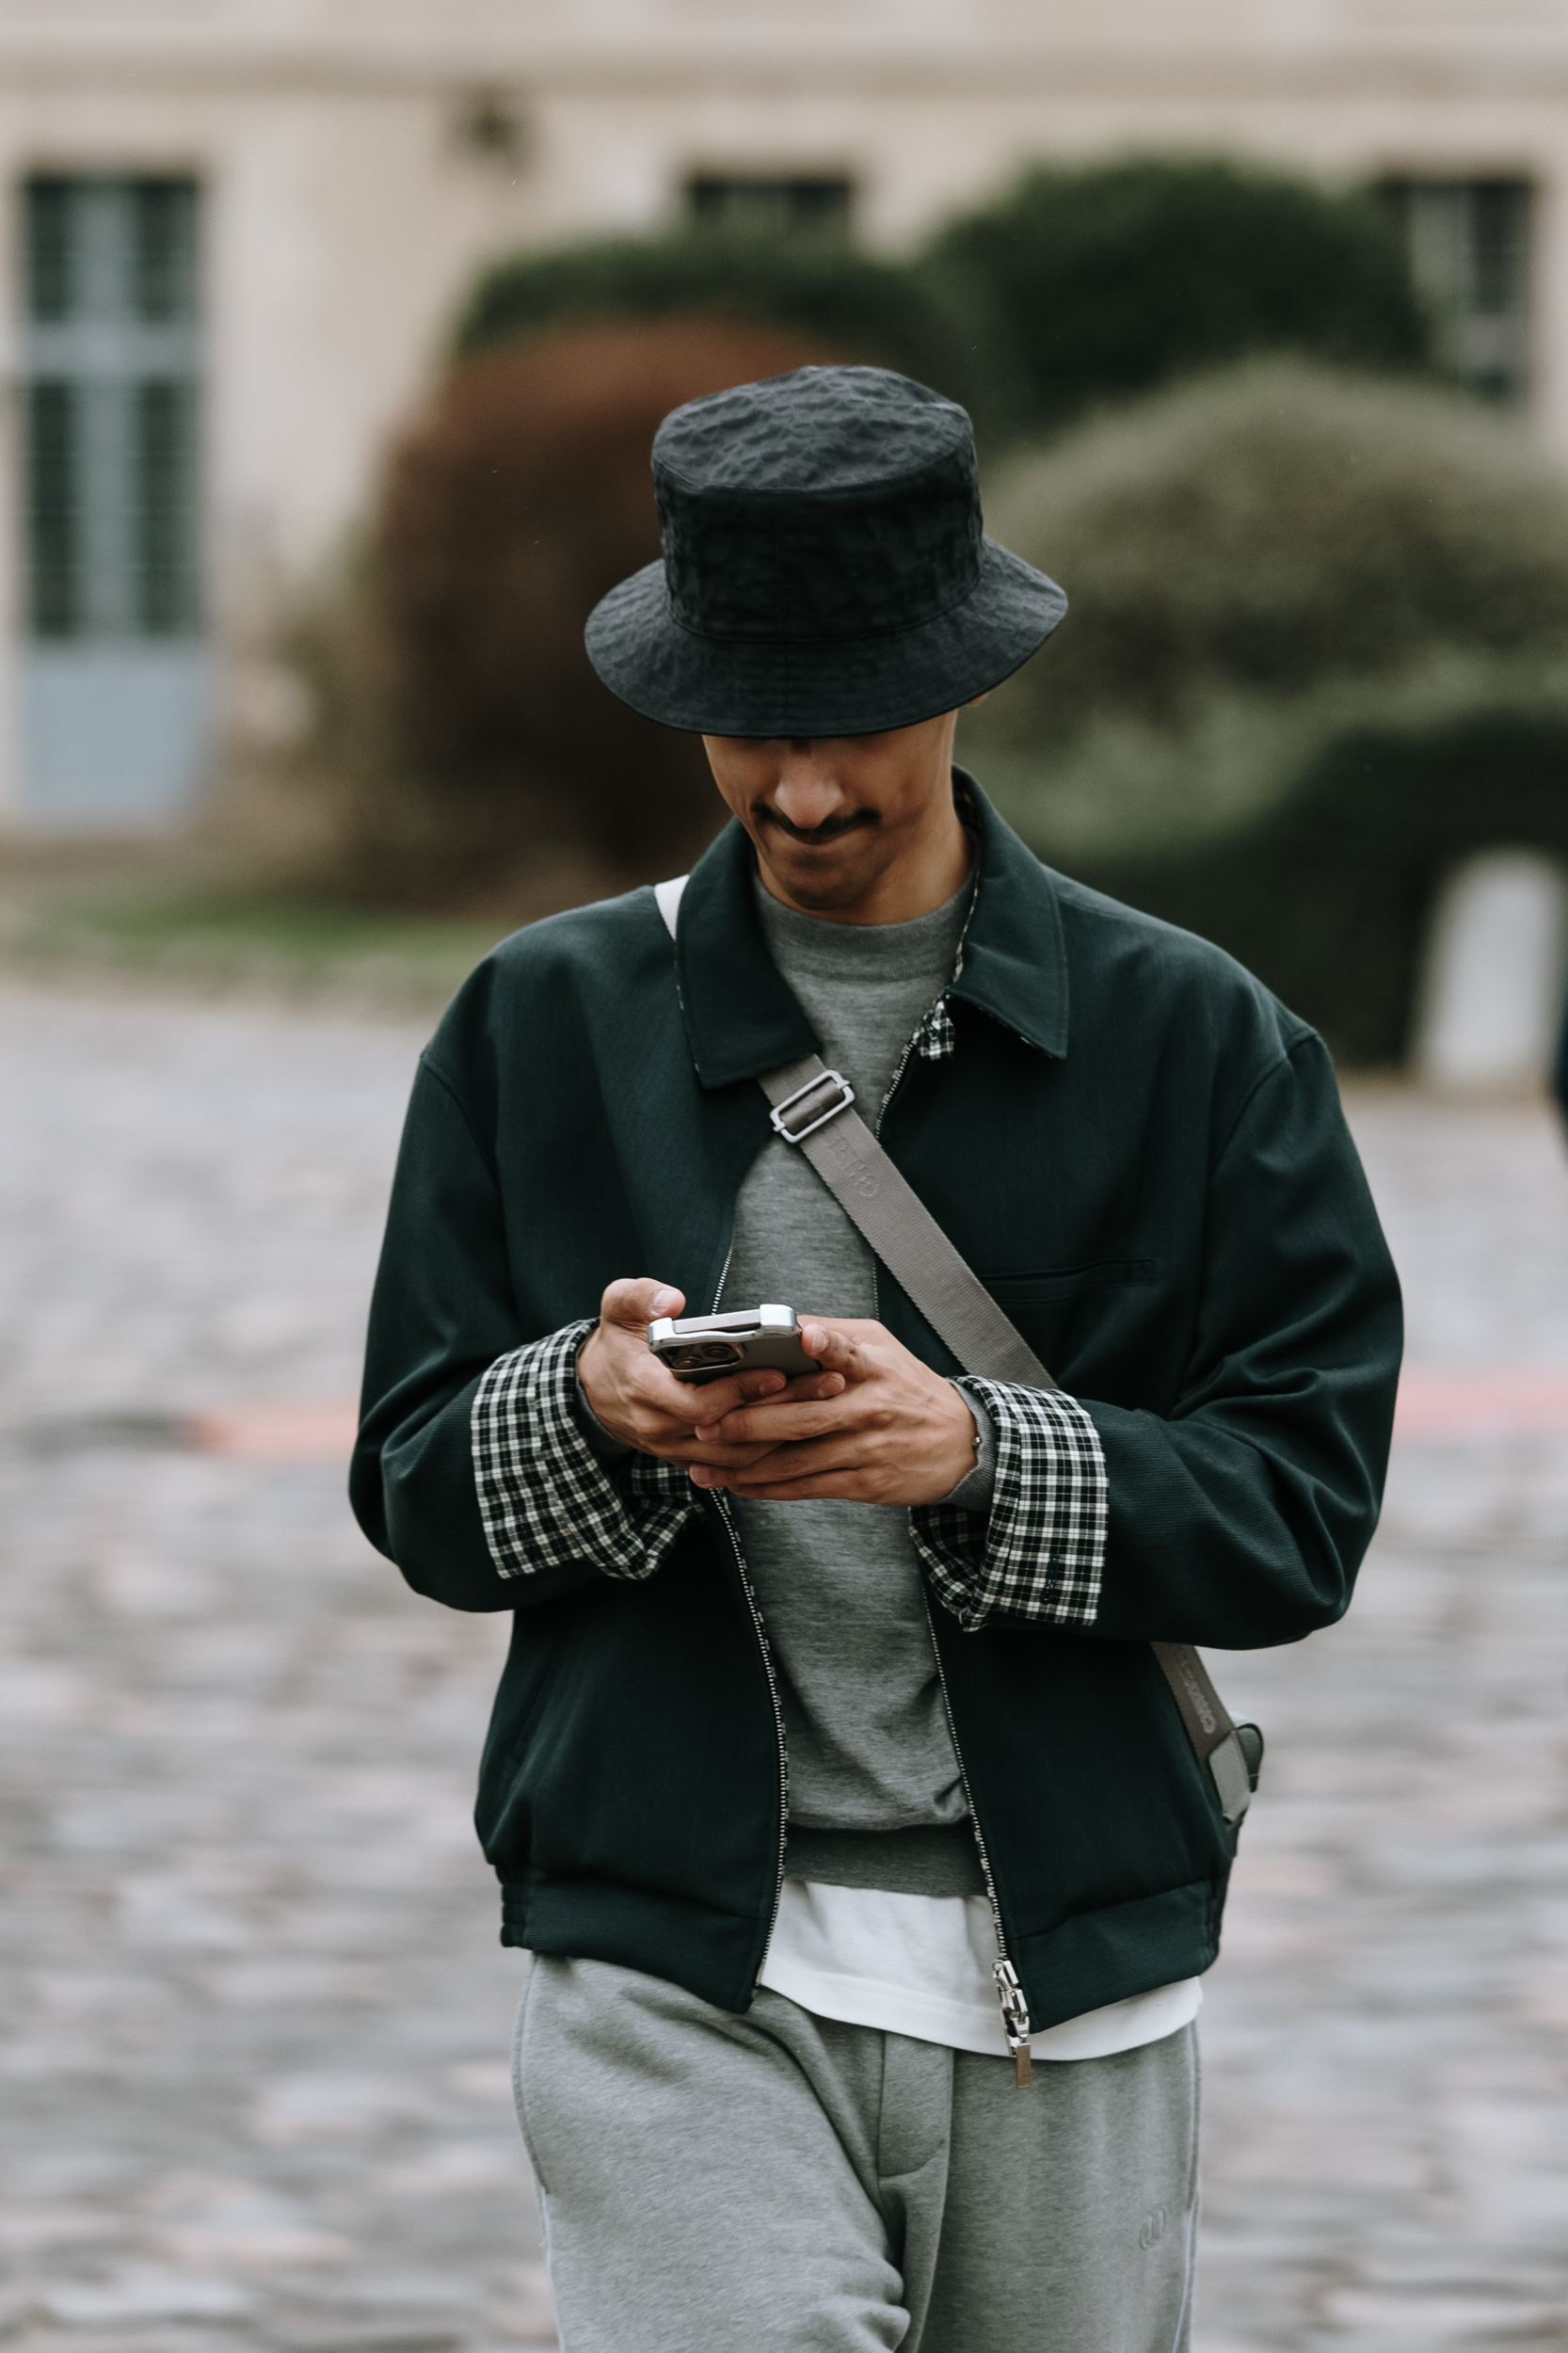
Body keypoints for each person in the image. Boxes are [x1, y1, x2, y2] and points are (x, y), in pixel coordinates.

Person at [351, 365, 1402, 2352]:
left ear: (958, 679)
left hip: (1066, 1981)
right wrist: (576, 1405)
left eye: (851, 722)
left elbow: (1298, 1513)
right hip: (665, 1950)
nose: (803, 789)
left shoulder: (1195, 1041)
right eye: (749, 724)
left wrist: (977, 1451)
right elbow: (409, 1474)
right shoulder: (542, 1020)